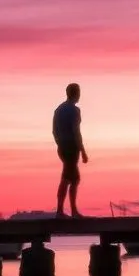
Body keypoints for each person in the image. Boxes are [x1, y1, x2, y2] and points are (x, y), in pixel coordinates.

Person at [52, 83, 88, 217]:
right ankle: (64, 211)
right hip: (71, 147)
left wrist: (60, 144)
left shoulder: (59, 109)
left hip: (62, 147)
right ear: (76, 93)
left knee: (71, 178)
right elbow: (76, 131)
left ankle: (69, 210)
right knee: (69, 178)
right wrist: (83, 150)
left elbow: (54, 131)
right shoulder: (74, 110)